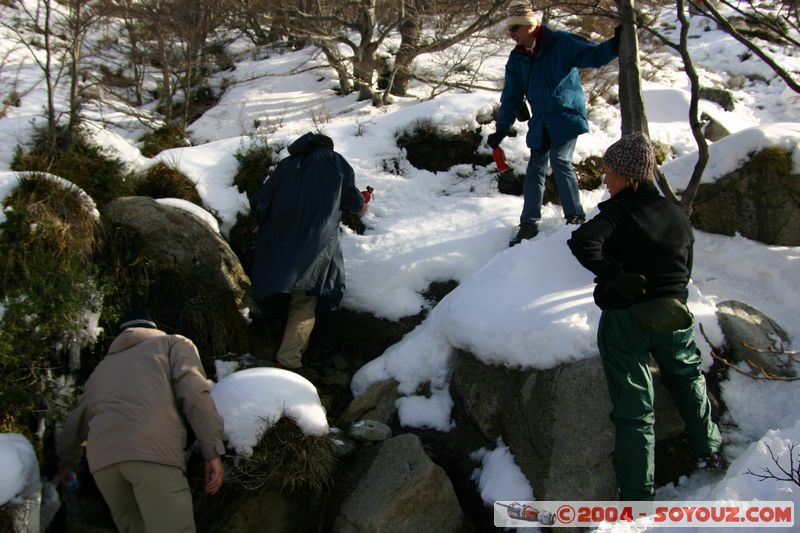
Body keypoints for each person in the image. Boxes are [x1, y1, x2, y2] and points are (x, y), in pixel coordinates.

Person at [567, 132, 724, 501]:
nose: (606, 178)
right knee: (687, 379)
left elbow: (583, 241)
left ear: (629, 176)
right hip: (674, 314)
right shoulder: (675, 212)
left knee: (634, 409)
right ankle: (710, 450)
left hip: (628, 321)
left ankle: (638, 495)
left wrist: (614, 274)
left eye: (610, 172)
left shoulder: (619, 212)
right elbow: (685, 263)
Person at [57, 309, 226, 532]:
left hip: (105, 466)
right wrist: (212, 451)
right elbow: (195, 395)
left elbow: (75, 422)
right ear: (152, 327)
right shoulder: (173, 344)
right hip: (152, 454)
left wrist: (67, 463)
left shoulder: (102, 369)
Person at [487, 0, 621, 246]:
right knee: (535, 169)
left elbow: (593, 55)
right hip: (542, 121)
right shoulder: (517, 58)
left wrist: (615, 44)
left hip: (566, 116)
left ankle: (575, 217)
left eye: (515, 27)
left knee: (560, 159)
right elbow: (511, 96)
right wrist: (501, 129)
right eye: (509, 28)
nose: (511, 33)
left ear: (529, 24)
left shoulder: (560, 42)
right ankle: (529, 224)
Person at [250, 132, 365, 370]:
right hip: (313, 242)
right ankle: (288, 361)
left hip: (277, 241)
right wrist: (362, 203)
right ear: (328, 147)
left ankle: (261, 344)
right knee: (304, 300)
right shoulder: (333, 161)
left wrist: (262, 222)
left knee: (280, 292)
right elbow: (352, 201)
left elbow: (262, 198)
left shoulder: (286, 165)